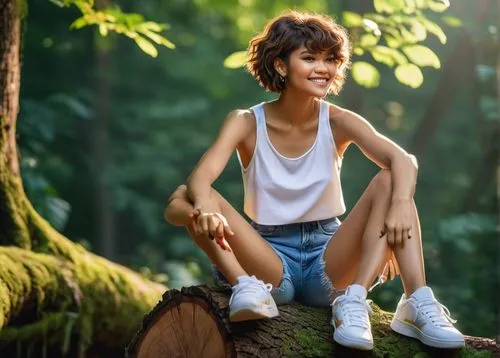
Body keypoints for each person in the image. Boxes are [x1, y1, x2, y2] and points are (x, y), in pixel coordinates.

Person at [163, 10, 465, 351]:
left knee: (389, 180)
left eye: (330, 60)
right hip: (269, 258)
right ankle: (244, 284)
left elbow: (403, 160)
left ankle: (403, 300)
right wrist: (206, 209)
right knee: (197, 196)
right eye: (309, 59)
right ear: (280, 65)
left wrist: (398, 206)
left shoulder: (337, 120)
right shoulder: (246, 122)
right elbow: (200, 180)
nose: (323, 69)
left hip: (329, 257)